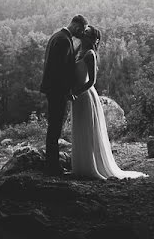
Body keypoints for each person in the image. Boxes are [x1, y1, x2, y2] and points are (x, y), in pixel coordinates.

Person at [70, 26, 147, 180]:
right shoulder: (78, 51)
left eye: (86, 32)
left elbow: (91, 81)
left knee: (86, 130)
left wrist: (76, 92)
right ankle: (79, 167)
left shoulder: (90, 54)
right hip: (77, 95)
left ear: (92, 38)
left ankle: (90, 167)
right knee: (79, 129)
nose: (83, 33)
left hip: (84, 95)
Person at [39, 14, 88, 176]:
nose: (81, 34)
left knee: (54, 127)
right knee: (55, 128)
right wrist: (67, 91)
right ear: (76, 26)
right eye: (81, 31)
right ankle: (52, 167)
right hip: (57, 90)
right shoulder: (63, 40)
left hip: (52, 89)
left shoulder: (57, 36)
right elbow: (60, 70)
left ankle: (51, 164)